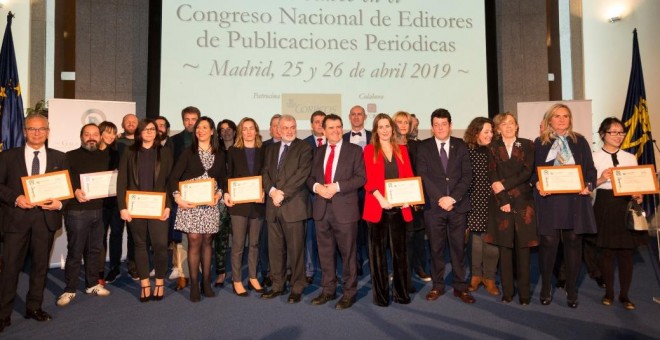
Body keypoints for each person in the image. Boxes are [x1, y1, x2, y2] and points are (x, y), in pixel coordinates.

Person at [0, 114, 69, 331]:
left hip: (45, 222)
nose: (37, 133)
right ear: (24, 131)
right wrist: (15, 198)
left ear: (48, 131)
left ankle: (34, 307)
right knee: (10, 269)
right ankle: (3, 314)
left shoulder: (60, 157)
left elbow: (67, 191)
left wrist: (59, 204)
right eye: (32, 129)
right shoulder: (7, 157)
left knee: (40, 267)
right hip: (16, 221)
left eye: (41, 129)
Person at [532, 103, 597, 308]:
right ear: (549, 120)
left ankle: (571, 288)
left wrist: (589, 185)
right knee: (549, 243)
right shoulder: (539, 143)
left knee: (573, 242)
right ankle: (545, 287)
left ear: (570, 119)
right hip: (549, 200)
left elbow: (590, 170)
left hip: (574, 201)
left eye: (566, 116)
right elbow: (533, 172)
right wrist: (537, 183)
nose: (561, 120)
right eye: (557, 116)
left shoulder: (580, 142)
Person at [417, 109, 475, 304]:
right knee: (436, 249)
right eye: (436, 124)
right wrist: (441, 198)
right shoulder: (423, 147)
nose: (440, 128)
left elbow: (467, 175)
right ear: (432, 127)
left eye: (444, 124)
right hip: (434, 208)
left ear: (450, 125)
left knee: (459, 249)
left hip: (457, 207)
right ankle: (438, 285)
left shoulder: (461, 145)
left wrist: (453, 198)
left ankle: (460, 287)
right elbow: (422, 175)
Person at [307, 114, 366, 309]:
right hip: (322, 211)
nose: (336, 131)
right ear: (323, 131)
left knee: (348, 255)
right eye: (331, 128)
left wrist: (338, 186)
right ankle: (328, 290)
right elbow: (309, 178)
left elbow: (361, 178)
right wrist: (317, 187)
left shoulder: (355, 151)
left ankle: (349, 293)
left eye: (339, 127)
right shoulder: (318, 151)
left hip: (345, 212)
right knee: (325, 253)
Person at [117, 118, 173, 302]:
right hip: (135, 208)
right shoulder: (129, 152)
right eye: (145, 129)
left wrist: (168, 206)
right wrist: (122, 207)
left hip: (158, 207)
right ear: (139, 132)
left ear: (157, 132)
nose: (149, 132)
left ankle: (159, 282)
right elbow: (122, 181)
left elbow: (169, 182)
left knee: (160, 246)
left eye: (152, 129)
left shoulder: (164, 152)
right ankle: (144, 284)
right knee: (140, 246)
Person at [592, 117, 646, 310]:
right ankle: (609, 293)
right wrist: (601, 178)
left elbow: (637, 183)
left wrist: (638, 195)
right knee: (606, 252)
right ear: (603, 134)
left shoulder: (630, 157)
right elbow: (587, 186)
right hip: (605, 204)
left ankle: (625, 295)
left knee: (626, 253)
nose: (618, 136)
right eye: (613, 132)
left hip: (625, 205)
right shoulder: (594, 157)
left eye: (621, 132)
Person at [170, 117, 225, 302]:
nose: (200, 130)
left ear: (212, 131)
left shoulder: (220, 154)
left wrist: (218, 195)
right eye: (198, 128)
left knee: (208, 242)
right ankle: (194, 284)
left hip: (210, 205)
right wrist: (178, 198)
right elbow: (173, 177)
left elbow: (223, 180)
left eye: (204, 127)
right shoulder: (188, 152)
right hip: (190, 204)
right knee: (194, 241)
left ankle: (206, 283)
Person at [485, 113, 538, 304]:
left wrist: (504, 185)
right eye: (504, 124)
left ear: (517, 126)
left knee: (523, 251)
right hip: (501, 203)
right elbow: (492, 175)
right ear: (498, 129)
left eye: (512, 123)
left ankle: (524, 294)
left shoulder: (527, 144)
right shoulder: (492, 147)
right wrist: (503, 198)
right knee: (505, 250)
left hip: (523, 203)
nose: (508, 126)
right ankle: (508, 292)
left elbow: (527, 172)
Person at [57, 123, 112, 307]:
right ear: (81, 137)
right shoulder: (69, 156)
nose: (91, 137)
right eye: (87, 134)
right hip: (76, 210)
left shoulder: (108, 156)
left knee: (95, 250)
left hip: (100, 210)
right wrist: (74, 190)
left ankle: (92, 284)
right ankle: (70, 289)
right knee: (75, 251)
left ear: (100, 136)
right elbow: (63, 179)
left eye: (95, 134)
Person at [260, 114, 313, 304]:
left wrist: (282, 194)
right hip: (273, 207)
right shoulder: (271, 149)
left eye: (293, 127)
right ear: (278, 130)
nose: (290, 131)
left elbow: (302, 175)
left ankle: (297, 287)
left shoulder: (304, 147)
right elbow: (265, 172)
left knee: (296, 251)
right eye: (286, 127)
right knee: (275, 250)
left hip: (294, 207)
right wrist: (272, 191)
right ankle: (277, 285)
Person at [363, 113, 414, 306]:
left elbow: (408, 177)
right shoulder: (369, 150)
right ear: (376, 131)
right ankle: (382, 297)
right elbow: (368, 179)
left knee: (400, 254)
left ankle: (401, 294)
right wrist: (381, 199)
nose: (384, 130)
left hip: (400, 209)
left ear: (392, 129)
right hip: (378, 208)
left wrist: (409, 198)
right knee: (377, 257)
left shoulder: (402, 150)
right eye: (380, 127)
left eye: (387, 126)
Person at [223, 118, 266, 296]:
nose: (248, 132)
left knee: (255, 243)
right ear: (240, 132)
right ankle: (237, 279)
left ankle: (253, 276)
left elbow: (267, 173)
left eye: (251, 128)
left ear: (256, 131)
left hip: (257, 204)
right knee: (239, 244)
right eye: (245, 129)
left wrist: (264, 190)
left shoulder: (264, 150)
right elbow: (228, 174)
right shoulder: (233, 151)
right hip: (239, 204)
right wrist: (226, 192)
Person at [462, 117, 500, 297]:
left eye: (491, 131)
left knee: (492, 239)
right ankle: (476, 275)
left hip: (494, 201)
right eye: (486, 132)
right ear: (476, 132)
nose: (490, 135)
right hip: (474, 201)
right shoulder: (466, 151)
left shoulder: (496, 151)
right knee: (476, 240)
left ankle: (490, 277)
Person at [393, 111, 431, 290]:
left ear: (410, 126)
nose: (402, 125)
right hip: (393, 201)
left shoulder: (418, 147)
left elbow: (422, 173)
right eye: (399, 122)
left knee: (416, 236)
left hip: (415, 200)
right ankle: (400, 270)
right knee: (399, 239)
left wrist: (417, 196)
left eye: (406, 123)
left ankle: (419, 268)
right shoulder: (387, 146)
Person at [170, 106, 200, 290]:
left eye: (194, 119)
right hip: (182, 195)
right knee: (181, 237)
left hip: (203, 195)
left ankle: (197, 270)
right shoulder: (174, 141)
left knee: (200, 237)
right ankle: (182, 273)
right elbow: (170, 171)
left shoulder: (207, 140)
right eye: (187, 119)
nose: (191, 122)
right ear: (182, 121)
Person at [342, 105, 371, 276]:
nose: (357, 117)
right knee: (352, 228)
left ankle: (372, 259)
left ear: (365, 116)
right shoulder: (342, 138)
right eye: (353, 114)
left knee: (369, 227)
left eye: (360, 114)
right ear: (349, 117)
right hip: (350, 190)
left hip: (371, 190)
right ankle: (357, 262)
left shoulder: (374, 137)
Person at [96, 122, 126, 284]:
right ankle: (99, 270)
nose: (110, 136)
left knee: (116, 234)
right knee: (99, 236)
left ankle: (115, 268)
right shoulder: (92, 153)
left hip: (116, 201)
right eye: (107, 132)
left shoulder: (119, 151)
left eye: (113, 133)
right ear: (100, 132)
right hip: (98, 202)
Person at [302, 110, 327, 284]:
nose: (319, 124)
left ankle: (329, 271)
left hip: (332, 197)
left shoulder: (337, 143)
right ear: (312, 125)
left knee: (329, 237)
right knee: (310, 236)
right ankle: (309, 270)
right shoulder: (303, 144)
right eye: (316, 122)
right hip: (310, 197)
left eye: (322, 122)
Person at [259, 114, 282, 287]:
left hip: (287, 201)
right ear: (270, 128)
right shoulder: (263, 147)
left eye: (281, 125)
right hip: (266, 201)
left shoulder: (296, 146)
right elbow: (261, 172)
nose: (278, 128)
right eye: (275, 125)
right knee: (266, 240)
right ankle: (266, 272)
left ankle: (284, 272)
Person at [213, 119, 236, 287]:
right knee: (221, 238)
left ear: (235, 131)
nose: (226, 132)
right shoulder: (215, 152)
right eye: (222, 130)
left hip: (241, 199)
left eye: (229, 129)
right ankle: (220, 271)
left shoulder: (242, 149)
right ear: (219, 134)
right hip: (220, 199)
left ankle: (237, 272)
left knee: (239, 238)